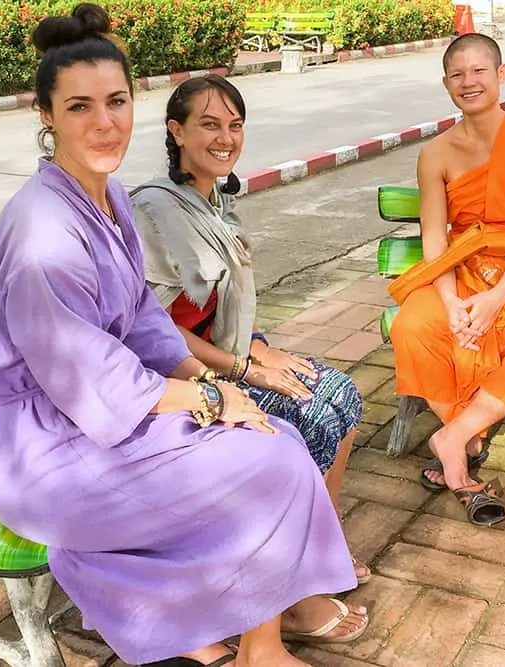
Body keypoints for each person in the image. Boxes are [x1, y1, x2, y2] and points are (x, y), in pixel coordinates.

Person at [0, 5, 369, 667]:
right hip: (43, 450)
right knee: (265, 460)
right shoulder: (44, 233)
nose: (104, 123)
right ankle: (256, 646)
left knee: (274, 437)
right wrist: (210, 401)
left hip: (99, 416)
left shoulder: (109, 196)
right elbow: (88, 371)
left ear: (136, 102)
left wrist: (213, 380)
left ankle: (247, 639)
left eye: (117, 101)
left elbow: (143, 320)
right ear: (45, 115)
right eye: (79, 107)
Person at [129, 74, 369, 584]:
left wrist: (259, 347)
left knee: (339, 394)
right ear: (176, 131)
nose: (225, 138)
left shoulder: (215, 201)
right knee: (312, 417)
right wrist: (243, 369)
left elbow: (228, 300)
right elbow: (154, 330)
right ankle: (290, 570)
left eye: (235, 126)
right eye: (209, 125)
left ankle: (320, 545)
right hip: (175, 376)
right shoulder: (156, 209)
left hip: (225, 357)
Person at [387, 33, 505, 527]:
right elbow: (433, 237)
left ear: (501, 75)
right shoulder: (437, 153)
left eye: (479, 71)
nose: (469, 82)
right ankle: (466, 434)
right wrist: (448, 301)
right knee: (413, 327)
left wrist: (495, 299)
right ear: (446, 83)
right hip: (460, 270)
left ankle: (453, 437)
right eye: (457, 74)